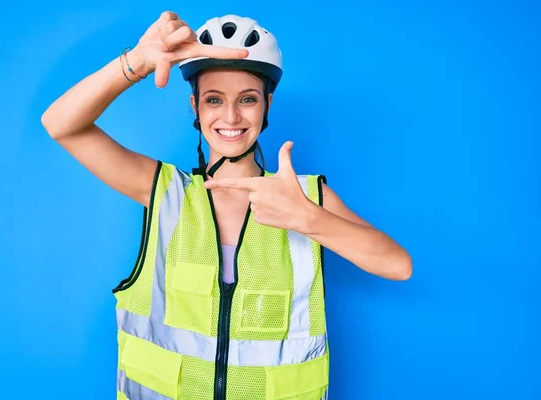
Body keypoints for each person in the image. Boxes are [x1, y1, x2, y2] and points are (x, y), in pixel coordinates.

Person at [41, 11, 412, 400]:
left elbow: (398, 266)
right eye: (214, 99)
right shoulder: (164, 191)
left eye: (247, 99)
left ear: (267, 105)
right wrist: (137, 62)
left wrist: (307, 218)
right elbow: (61, 124)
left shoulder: (306, 198)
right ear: (195, 108)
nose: (231, 116)